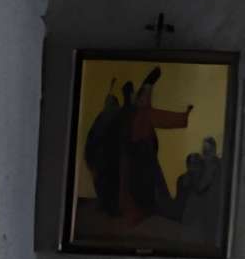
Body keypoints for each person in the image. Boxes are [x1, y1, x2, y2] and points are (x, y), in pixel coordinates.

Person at [117, 67, 193, 228]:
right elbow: (161, 118)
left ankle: (146, 211)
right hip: (140, 156)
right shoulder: (137, 113)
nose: (146, 99)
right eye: (143, 96)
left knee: (146, 186)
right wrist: (184, 116)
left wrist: (183, 116)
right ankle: (146, 211)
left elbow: (162, 118)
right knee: (143, 186)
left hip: (141, 156)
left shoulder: (134, 112)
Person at [82, 79, 127, 218]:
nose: (108, 106)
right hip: (102, 158)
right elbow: (93, 137)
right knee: (103, 183)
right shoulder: (103, 117)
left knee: (111, 184)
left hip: (112, 158)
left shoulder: (116, 117)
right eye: (107, 103)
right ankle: (106, 205)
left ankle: (112, 208)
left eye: (110, 103)